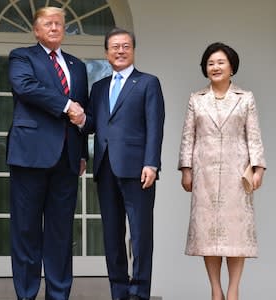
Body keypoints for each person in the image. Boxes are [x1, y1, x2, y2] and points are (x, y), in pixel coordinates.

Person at [73, 28, 165, 300]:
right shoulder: (99, 88)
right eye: (115, 47)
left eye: (125, 46)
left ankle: (139, 293)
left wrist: (152, 163)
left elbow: (155, 126)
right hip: (105, 168)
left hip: (138, 170)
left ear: (133, 50)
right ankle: (119, 292)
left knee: (140, 236)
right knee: (112, 238)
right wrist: (78, 118)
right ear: (106, 53)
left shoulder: (148, 83)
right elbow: (91, 123)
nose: (120, 51)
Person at [6, 6, 88, 300]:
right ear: (36, 29)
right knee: (26, 232)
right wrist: (67, 106)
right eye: (47, 23)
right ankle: (26, 295)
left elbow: (83, 111)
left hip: (66, 159)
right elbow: (25, 87)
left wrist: (82, 154)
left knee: (60, 234)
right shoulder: (22, 56)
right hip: (30, 155)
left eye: (59, 24)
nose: (54, 28)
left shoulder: (77, 66)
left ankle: (59, 295)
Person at [178, 42, 266, 300]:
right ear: (205, 68)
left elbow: (254, 135)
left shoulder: (245, 98)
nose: (215, 67)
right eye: (210, 63)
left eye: (220, 62)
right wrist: (186, 169)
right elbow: (187, 137)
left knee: (236, 234)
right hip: (204, 174)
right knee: (208, 235)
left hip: (237, 175)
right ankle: (215, 290)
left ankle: (233, 290)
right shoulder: (196, 99)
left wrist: (259, 168)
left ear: (231, 67)